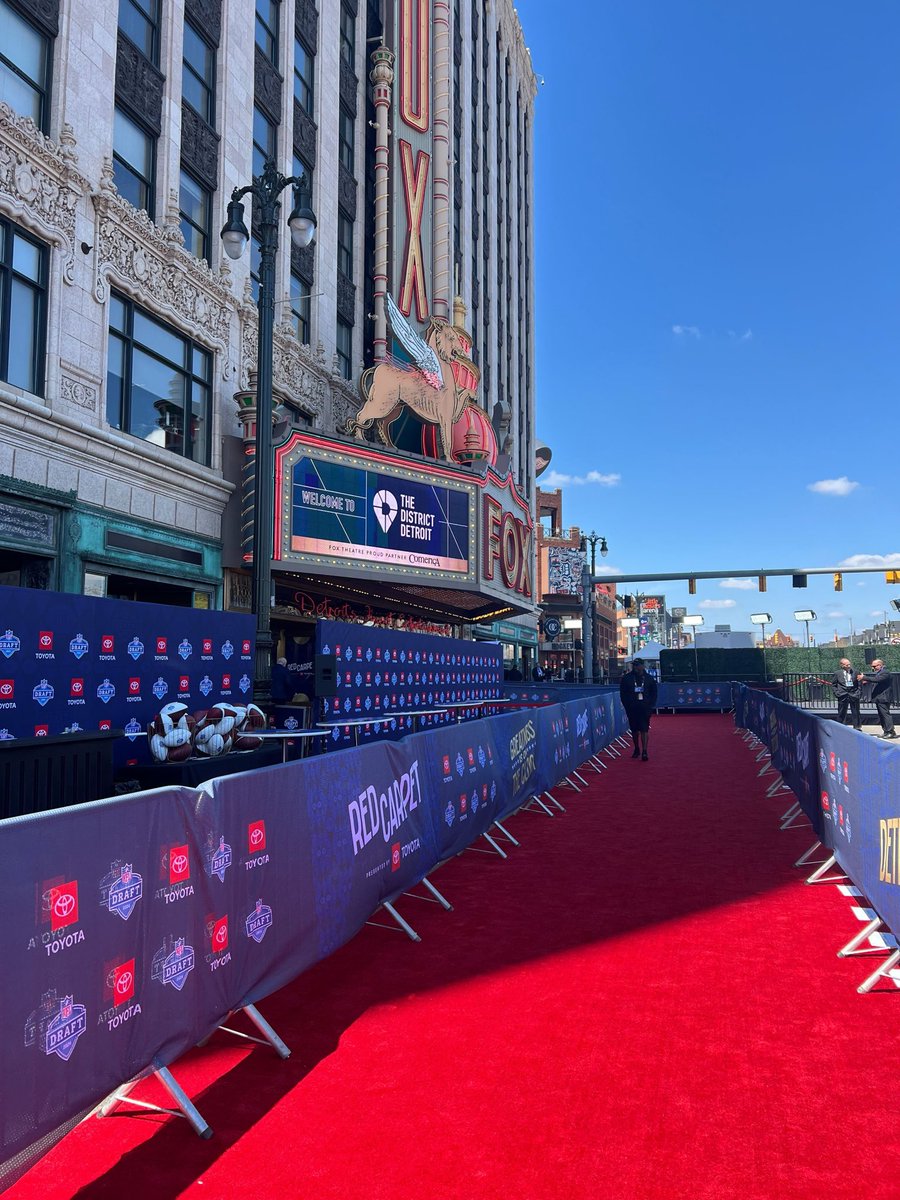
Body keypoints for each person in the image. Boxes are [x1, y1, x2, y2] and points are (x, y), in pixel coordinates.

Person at [619, 657, 658, 760]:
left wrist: (650, 705)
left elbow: (654, 693)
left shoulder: (649, 678)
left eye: (637, 665)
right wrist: (627, 706)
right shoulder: (626, 678)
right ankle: (637, 748)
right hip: (632, 708)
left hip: (645, 708)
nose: (635, 667)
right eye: (634, 665)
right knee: (634, 730)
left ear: (642, 666)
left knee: (644, 729)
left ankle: (645, 751)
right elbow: (623, 694)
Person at [858, 659, 896, 739]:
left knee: (885, 715)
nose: (873, 668)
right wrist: (867, 681)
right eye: (872, 666)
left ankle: (891, 732)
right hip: (879, 697)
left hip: (884, 697)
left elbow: (877, 679)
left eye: (874, 666)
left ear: (880, 665)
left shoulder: (885, 672)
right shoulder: (879, 673)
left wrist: (864, 677)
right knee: (881, 715)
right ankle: (886, 731)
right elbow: (877, 681)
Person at [831, 658, 861, 730]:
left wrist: (858, 693)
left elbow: (859, 684)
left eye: (849, 664)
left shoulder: (856, 672)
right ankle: (841, 727)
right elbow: (833, 684)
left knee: (856, 712)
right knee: (842, 712)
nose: (849, 666)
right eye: (847, 665)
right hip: (842, 695)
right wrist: (837, 693)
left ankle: (857, 727)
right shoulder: (837, 673)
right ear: (842, 665)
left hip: (853, 694)